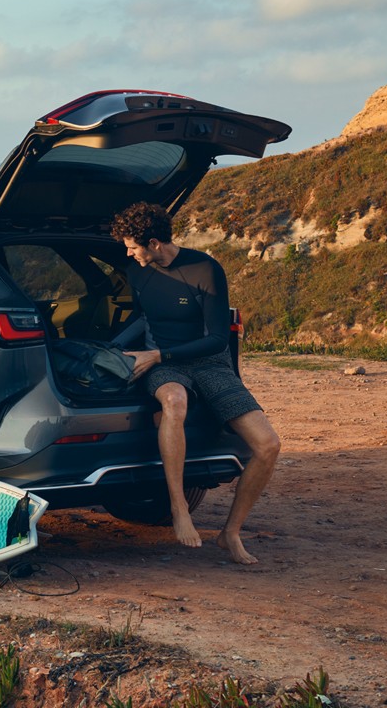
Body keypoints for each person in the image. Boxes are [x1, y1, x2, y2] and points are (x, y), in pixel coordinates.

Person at [110, 201, 280, 565]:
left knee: (268, 445)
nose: (127, 252)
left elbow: (218, 338)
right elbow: (143, 319)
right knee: (174, 400)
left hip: (207, 362)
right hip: (164, 365)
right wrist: (113, 349)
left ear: (154, 243)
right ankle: (179, 506)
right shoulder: (137, 272)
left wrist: (158, 356)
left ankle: (230, 532)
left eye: (132, 245)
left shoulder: (205, 268)